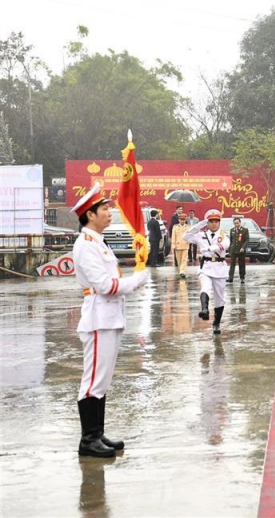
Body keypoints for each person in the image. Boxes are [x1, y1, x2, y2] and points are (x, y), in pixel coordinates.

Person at [71, 183, 150, 457]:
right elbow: (106, 285)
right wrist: (137, 281)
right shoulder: (85, 246)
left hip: (110, 316)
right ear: (90, 214)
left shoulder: (98, 243)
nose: (110, 212)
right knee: (92, 380)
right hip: (98, 316)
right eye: (104, 209)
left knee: (102, 380)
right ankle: (88, 440)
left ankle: (97, 434)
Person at [184, 209, 230, 334]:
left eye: (216, 221)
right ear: (207, 223)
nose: (214, 223)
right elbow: (186, 236)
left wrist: (210, 248)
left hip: (220, 267)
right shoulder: (201, 235)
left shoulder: (224, 235)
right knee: (205, 287)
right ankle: (205, 310)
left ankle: (216, 323)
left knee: (220, 298)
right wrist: (200, 224)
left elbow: (225, 245)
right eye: (211, 221)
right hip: (206, 266)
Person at [227, 217, 249, 283]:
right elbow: (231, 240)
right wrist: (230, 249)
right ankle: (230, 278)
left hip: (241, 250)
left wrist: (243, 247)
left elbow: (247, 240)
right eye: (235, 223)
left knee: (241, 264)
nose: (236, 224)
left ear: (240, 222)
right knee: (232, 264)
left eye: (237, 223)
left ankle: (242, 278)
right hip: (233, 250)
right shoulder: (232, 230)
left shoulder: (245, 230)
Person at [171, 212, 191, 278]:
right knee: (179, 260)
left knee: (184, 259)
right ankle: (180, 270)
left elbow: (190, 235)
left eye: (183, 220)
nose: (182, 221)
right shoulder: (175, 227)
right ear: (179, 220)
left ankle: (182, 271)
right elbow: (173, 236)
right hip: (178, 245)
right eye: (181, 219)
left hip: (185, 245)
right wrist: (173, 245)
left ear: (185, 220)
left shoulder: (188, 227)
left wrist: (190, 241)